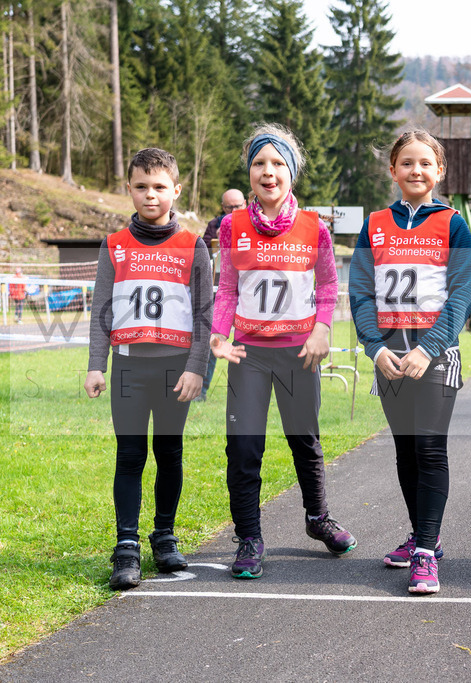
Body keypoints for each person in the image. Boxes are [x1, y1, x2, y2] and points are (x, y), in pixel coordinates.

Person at [210, 123, 355, 580]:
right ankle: (249, 537)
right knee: (244, 447)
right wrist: (219, 334)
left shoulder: (315, 227)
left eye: (277, 163)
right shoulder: (233, 226)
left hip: (299, 353)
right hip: (249, 353)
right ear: (249, 172)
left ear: (291, 172)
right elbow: (228, 288)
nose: (267, 172)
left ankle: (317, 519)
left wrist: (322, 329)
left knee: (304, 441)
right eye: (258, 163)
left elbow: (330, 283)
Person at [349, 131, 471, 594]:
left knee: (428, 449)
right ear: (393, 170)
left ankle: (424, 553)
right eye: (406, 163)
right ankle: (425, 533)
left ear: (439, 170)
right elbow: (361, 290)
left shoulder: (454, 224)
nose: (416, 170)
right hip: (389, 358)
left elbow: (462, 293)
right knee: (405, 452)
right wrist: (376, 348)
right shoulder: (375, 223)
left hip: (435, 357)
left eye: (425, 163)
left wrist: (429, 348)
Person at [84, 148, 213, 590]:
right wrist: (95, 365)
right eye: (141, 186)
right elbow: (102, 309)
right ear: (129, 189)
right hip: (127, 369)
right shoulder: (114, 245)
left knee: (169, 454)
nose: (150, 195)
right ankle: (126, 545)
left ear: (176, 191)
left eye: (160, 187)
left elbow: (204, 314)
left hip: (175, 370)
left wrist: (197, 367)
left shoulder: (193, 245)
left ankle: (164, 535)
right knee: (130, 455)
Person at [197, 189, 246, 401]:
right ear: (222, 207)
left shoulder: (256, 223)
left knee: (246, 343)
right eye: (229, 207)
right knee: (212, 338)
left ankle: (246, 391)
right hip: (221, 292)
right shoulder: (214, 225)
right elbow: (202, 251)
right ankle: (201, 390)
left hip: (248, 294)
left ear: (245, 204)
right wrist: (216, 240)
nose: (233, 211)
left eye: (238, 206)